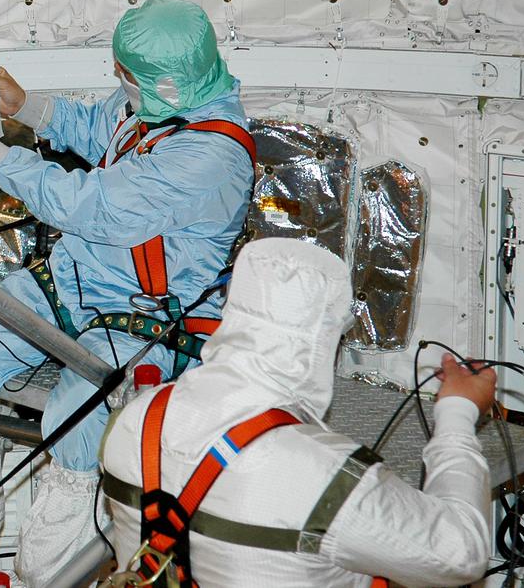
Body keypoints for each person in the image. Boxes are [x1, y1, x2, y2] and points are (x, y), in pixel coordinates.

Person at [0, 0, 256, 586]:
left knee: (78, 431)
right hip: (70, 279)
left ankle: (54, 578)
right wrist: (26, 108)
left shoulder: (210, 154)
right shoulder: (162, 99)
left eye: (127, 75)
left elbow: (92, 206)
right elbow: (101, 129)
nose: (119, 82)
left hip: (142, 313)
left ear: (165, 79)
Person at [102, 237, 493, 588]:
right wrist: (458, 412)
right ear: (323, 336)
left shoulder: (136, 418)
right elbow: (460, 554)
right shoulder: (323, 476)